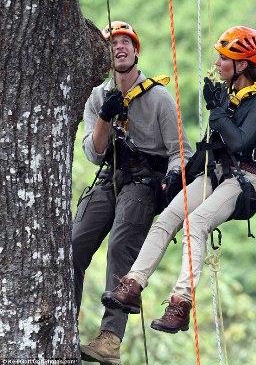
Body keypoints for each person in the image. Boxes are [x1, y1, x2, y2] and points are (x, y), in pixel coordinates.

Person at [101, 26, 256, 334]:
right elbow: (213, 145)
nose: (218, 63)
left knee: (195, 223)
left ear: (242, 64)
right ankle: (132, 284)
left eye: (225, 59)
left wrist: (218, 112)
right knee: (167, 218)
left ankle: (180, 304)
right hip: (216, 173)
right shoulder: (229, 94)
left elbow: (239, 143)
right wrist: (179, 177)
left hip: (245, 179)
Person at [72, 20, 192, 363]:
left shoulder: (158, 97)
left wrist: (169, 184)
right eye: (113, 44)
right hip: (111, 176)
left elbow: (178, 150)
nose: (119, 48)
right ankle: (65, 322)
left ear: (136, 51)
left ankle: (109, 340)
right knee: (75, 246)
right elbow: (94, 153)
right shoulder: (98, 96)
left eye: (126, 43)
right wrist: (103, 120)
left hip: (145, 181)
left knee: (121, 248)